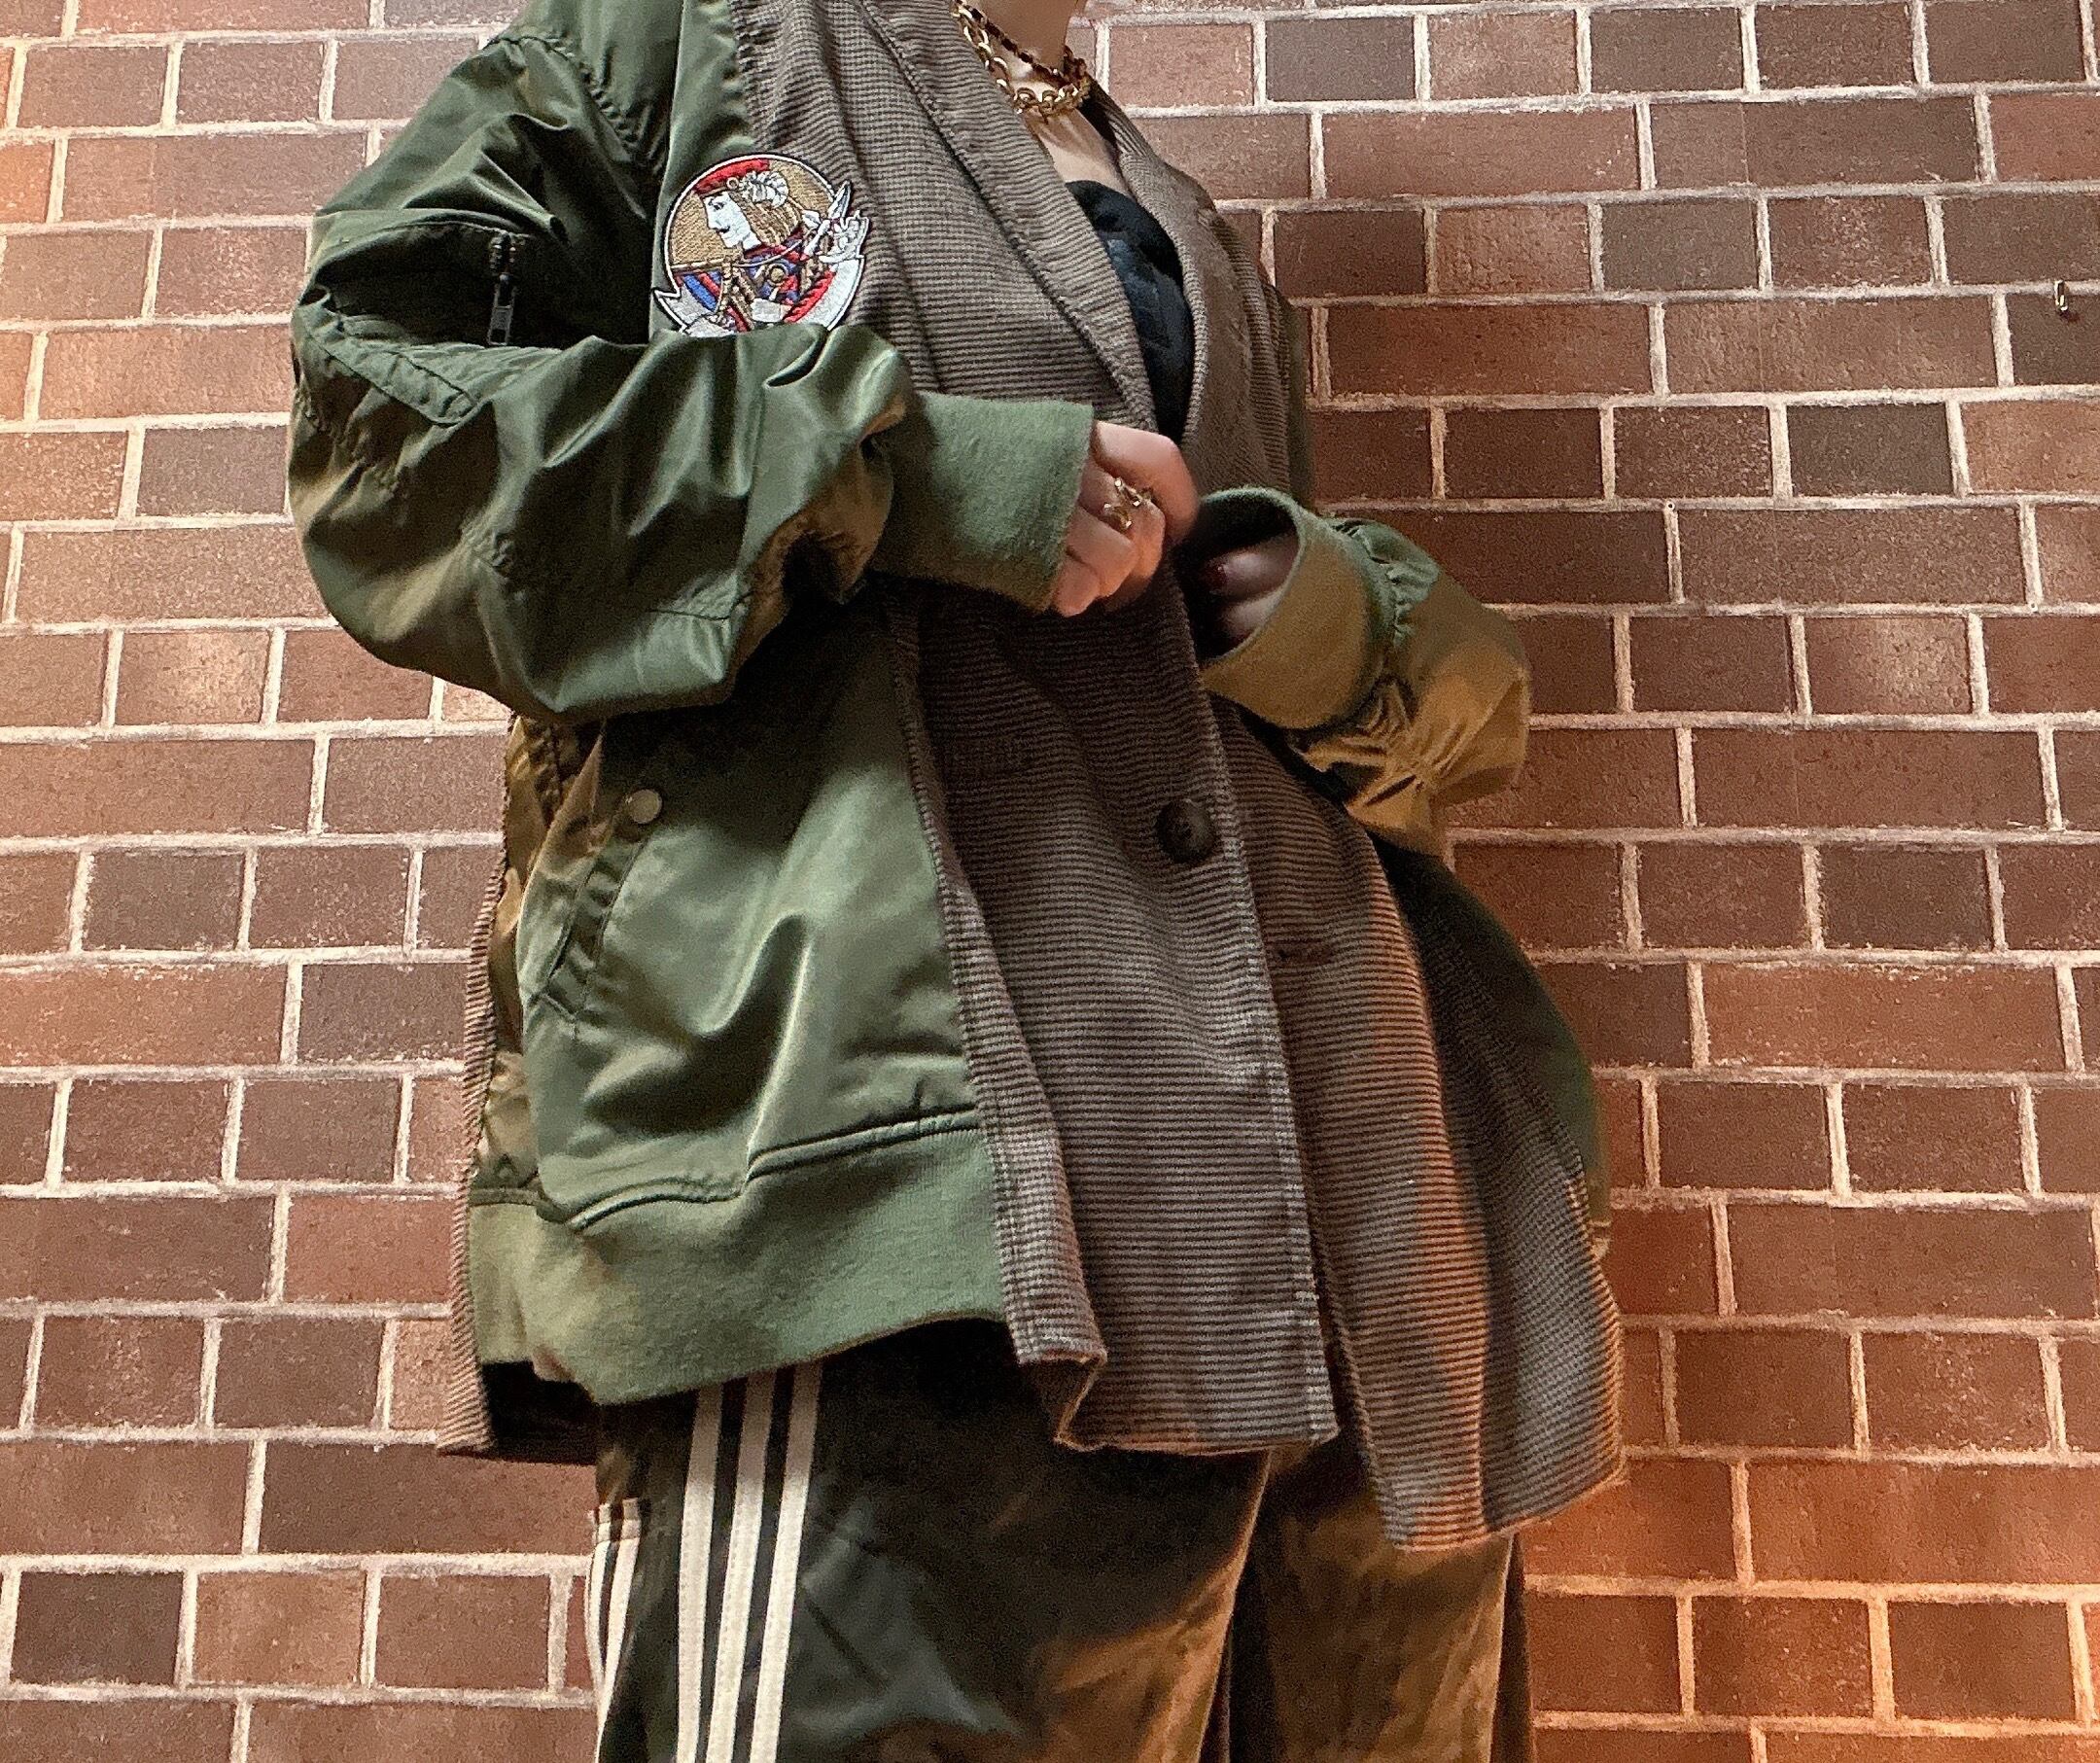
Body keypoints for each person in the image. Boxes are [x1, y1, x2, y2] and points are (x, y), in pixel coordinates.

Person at [283, 0, 1624, 1755]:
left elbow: (1338, 734)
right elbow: (386, 436)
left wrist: (1323, 616)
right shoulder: (675, 49)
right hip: (925, 1212)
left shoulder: (1190, 220)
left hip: (1362, 1231)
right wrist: (899, 475)